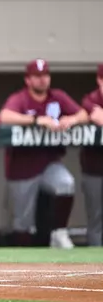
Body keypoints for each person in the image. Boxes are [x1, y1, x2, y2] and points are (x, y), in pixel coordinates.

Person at [0, 59, 88, 249]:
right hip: (21, 167)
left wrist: (71, 119)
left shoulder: (57, 97)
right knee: (22, 224)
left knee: (66, 183)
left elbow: (84, 114)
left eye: (45, 76)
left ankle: (59, 232)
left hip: (49, 161)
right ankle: (22, 260)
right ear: (28, 80)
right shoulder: (21, 98)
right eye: (37, 77)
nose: (42, 80)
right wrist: (37, 120)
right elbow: (5, 116)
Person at [80, 64, 103, 246]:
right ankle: (96, 262)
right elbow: (93, 116)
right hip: (94, 169)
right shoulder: (90, 100)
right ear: (99, 80)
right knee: (96, 218)